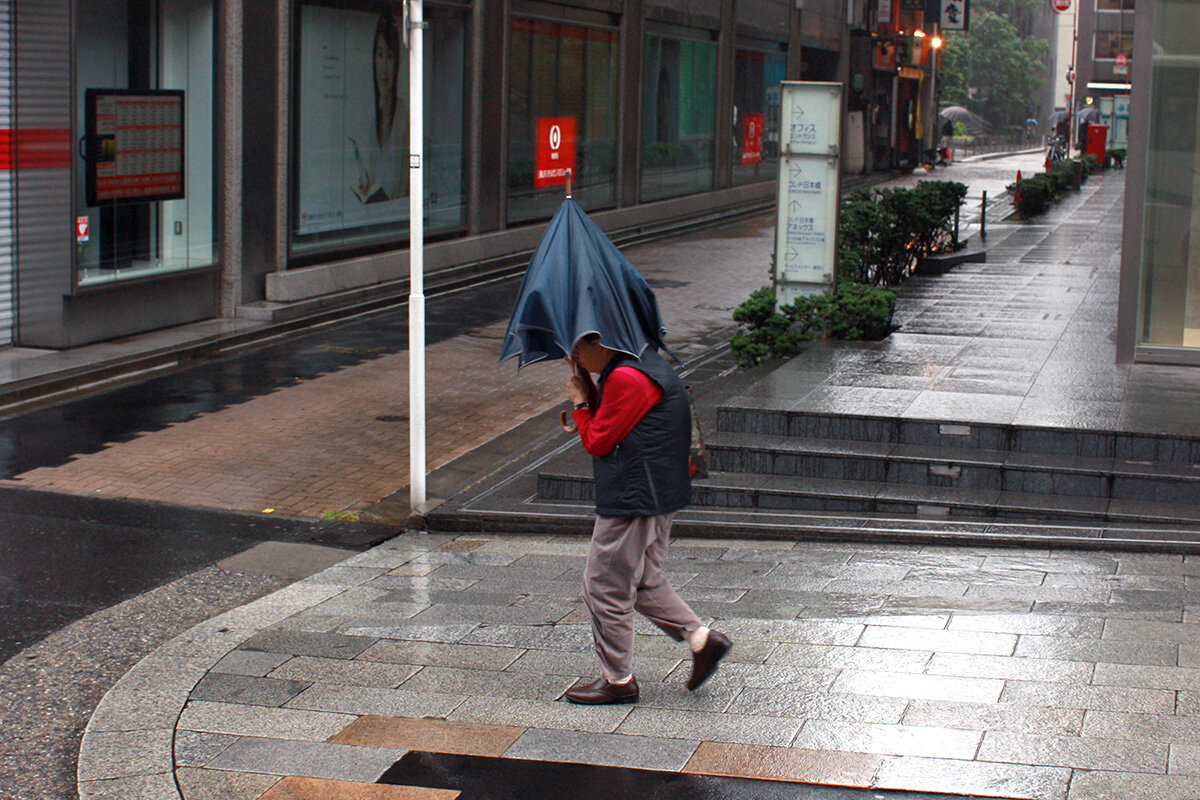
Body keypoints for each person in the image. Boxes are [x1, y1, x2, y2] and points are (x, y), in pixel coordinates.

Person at [562, 334, 731, 705]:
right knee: (642, 580)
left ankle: (617, 680)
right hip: (658, 491)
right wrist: (590, 388)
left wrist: (578, 403)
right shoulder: (644, 363)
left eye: (577, 346)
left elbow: (599, 441)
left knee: (604, 585)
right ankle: (702, 641)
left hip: (633, 497)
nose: (572, 354)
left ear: (602, 341)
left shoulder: (626, 377)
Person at [350, 11, 406, 204]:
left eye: (389, 56)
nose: (383, 66)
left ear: (397, 62)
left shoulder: (405, 118)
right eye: (379, 54)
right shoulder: (374, 126)